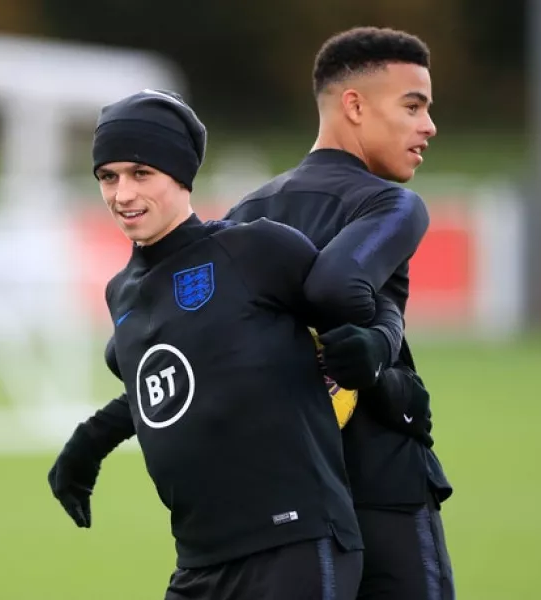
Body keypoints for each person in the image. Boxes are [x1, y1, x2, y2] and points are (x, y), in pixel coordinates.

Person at [47, 89, 405, 599]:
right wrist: (89, 443)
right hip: (199, 564)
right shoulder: (120, 293)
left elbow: (375, 305)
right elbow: (183, 377)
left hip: (296, 544)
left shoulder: (254, 249)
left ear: (180, 175)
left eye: (140, 173)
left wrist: (379, 347)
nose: (122, 193)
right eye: (108, 176)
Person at [225, 27, 455, 600]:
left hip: (276, 499)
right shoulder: (390, 203)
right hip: (380, 485)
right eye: (413, 106)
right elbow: (337, 289)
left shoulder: (238, 217)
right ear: (354, 105)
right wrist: (383, 357)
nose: (428, 126)